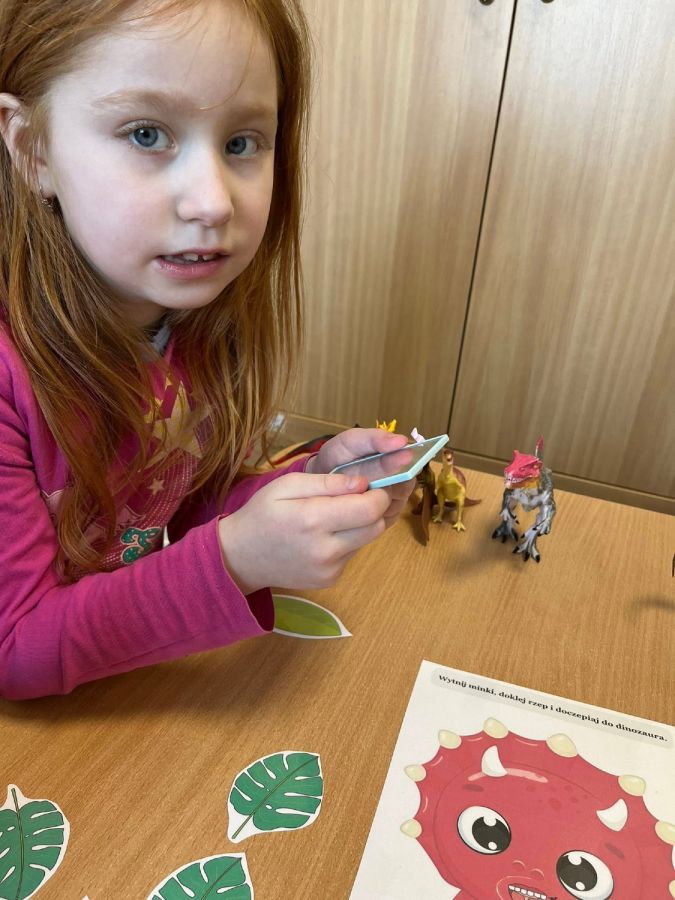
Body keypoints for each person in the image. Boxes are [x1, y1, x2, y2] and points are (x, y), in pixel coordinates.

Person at [0, 0, 414, 700]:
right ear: (32, 150)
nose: (213, 202)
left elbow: (176, 508)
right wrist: (235, 560)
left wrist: (304, 487)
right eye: (146, 133)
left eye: (242, 143)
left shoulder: (193, 323)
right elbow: (15, 646)